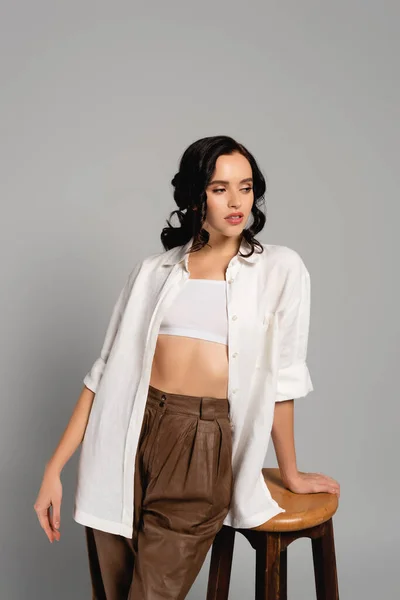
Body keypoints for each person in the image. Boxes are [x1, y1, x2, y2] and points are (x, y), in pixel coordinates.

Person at [34, 135, 340, 599]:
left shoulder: (280, 269)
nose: (237, 202)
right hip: (124, 434)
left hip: (201, 438)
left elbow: (284, 377)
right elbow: (102, 376)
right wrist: (53, 469)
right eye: (220, 189)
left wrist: (290, 471)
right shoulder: (152, 272)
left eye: (246, 186)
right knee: (112, 592)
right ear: (195, 196)